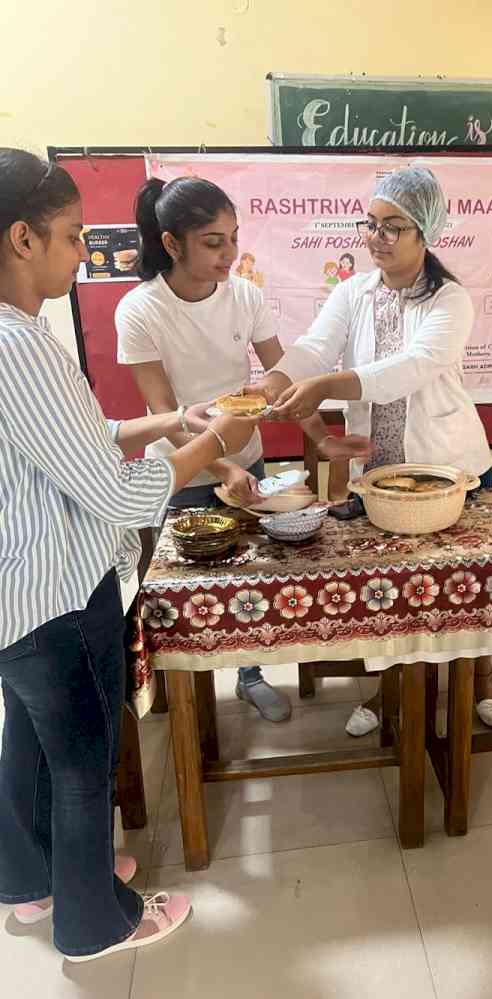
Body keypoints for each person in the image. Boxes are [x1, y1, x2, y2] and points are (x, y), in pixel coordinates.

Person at [0, 149, 259, 960]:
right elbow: (117, 497)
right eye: (74, 236)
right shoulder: (22, 346)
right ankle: (96, 919)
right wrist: (209, 441)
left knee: (28, 741)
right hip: (60, 590)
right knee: (83, 761)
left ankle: (29, 879)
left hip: (15, 592)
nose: (85, 253)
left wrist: (160, 424)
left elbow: (62, 444)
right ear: (21, 238)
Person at [251, 165, 492, 736]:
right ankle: (391, 685)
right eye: (371, 224)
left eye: (394, 227)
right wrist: (278, 379)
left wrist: (322, 387)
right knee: (397, 592)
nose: (377, 237)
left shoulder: (451, 300)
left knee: (469, 589)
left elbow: (408, 369)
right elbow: (316, 345)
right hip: (383, 471)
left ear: (425, 234)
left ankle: (483, 674)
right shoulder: (354, 291)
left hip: (450, 466)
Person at [116, 177, 369, 721]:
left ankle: (250, 674)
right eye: (213, 242)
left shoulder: (246, 296)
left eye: (233, 238)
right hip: (182, 473)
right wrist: (221, 465)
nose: (229, 254)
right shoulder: (140, 310)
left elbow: (285, 378)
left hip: (246, 463)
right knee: (192, 593)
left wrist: (323, 440)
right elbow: (163, 412)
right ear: (171, 243)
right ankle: (190, 699)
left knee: (250, 579)